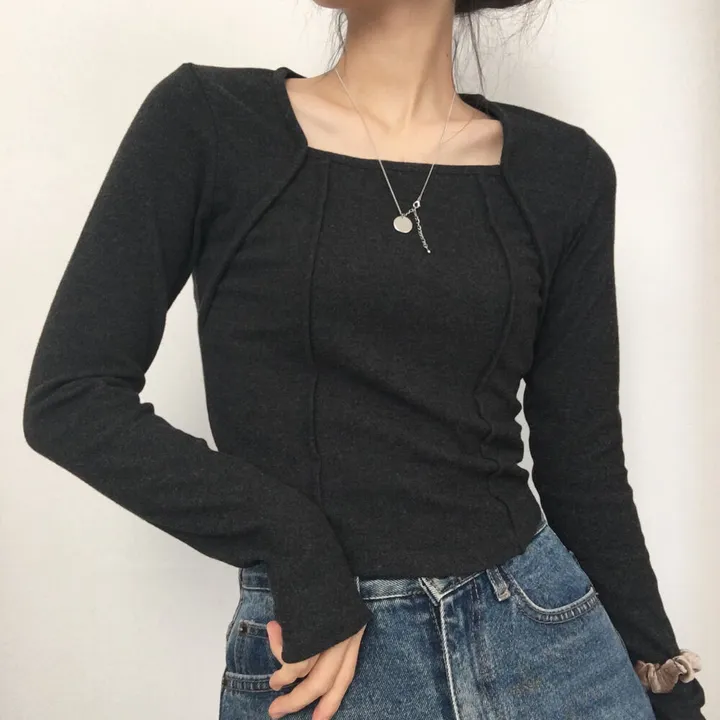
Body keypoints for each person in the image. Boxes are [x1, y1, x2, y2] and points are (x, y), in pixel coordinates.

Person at [23, 1, 706, 718]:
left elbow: (583, 464)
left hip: (549, 641)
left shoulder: (564, 171)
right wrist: (292, 541)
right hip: (324, 657)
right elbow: (72, 398)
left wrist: (665, 680)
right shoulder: (212, 121)